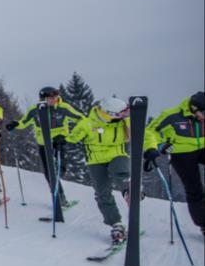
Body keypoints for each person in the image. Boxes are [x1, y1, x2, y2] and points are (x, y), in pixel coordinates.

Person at [66, 97, 145, 243]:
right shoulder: (87, 124)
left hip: (117, 155)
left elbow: (144, 134)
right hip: (95, 161)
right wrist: (63, 141)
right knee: (102, 193)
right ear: (109, 113)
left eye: (125, 114)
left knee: (120, 171)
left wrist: (150, 148)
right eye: (120, 114)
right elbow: (72, 138)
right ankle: (116, 224)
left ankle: (129, 190)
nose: (124, 116)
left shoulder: (125, 123)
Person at [6, 86, 85, 207]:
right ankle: (59, 197)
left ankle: (60, 183)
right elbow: (24, 122)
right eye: (50, 98)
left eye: (55, 97)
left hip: (58, 141)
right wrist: (15, 124)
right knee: (48, 172)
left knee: (59, 168)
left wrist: (69, 136)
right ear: (43, 99)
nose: (54, 100)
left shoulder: (63, 108)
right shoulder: (35, 109)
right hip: (43, 143)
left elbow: (82, 120)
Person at [143, 91, 204, 234]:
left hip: (203, 148)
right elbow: (151, 132)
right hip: (182, 153)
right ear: (193, 108)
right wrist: (154, 147)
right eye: (203, 114)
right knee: (194, 188)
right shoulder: (172, 116)